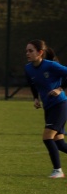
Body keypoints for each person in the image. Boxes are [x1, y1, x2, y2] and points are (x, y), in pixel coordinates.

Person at [23, 39, 67, 178]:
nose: (27, 53)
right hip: (48, 107)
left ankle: (57, 170)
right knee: (60, 144)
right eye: (26, 51)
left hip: (59, 105)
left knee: (47, 137)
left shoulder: (51, 65)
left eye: (31, 51)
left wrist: (59, 89)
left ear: (40, 52)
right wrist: (35, 98)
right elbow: (32, 84)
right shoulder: (28, 68)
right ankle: (57, 170)